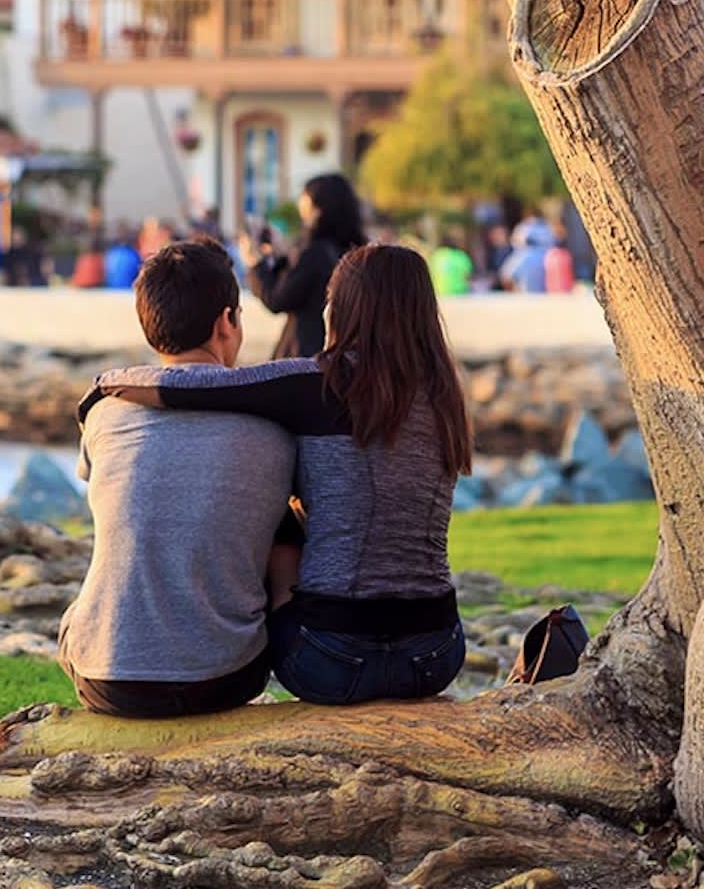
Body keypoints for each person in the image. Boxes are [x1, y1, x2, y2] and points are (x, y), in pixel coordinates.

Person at [90, 243, 474, 705]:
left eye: (331, 300)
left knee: (281, 523)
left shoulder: (319, 383)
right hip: (436, 654)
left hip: (331, 659)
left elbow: (208, 385)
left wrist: (105, 388)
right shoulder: (446, 394)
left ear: (346, 310)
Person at [57, 238, 298, 717]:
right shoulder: (275, 427)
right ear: (227, 322)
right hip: (226, 677)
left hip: (106, 676)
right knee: (283, 525)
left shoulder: (106, 411)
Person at [251, 174, 366, 358]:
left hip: (307, 355)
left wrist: (255, 264)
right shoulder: (357, 254)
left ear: (318, 208)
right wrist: (284, 260)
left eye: (304, 197)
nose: (300, 204)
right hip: (341, 355)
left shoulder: (316, 255)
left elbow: (277, 299)